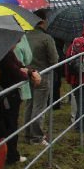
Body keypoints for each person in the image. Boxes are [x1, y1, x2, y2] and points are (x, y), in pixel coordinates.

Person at [0, 45, 40, 164]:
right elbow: (16, 72)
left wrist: (30, 71)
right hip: (7, 95)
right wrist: (28, 75)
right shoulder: (4, 54)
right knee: (9, 125)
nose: (17, 43)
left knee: (11, 124)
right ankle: (10, 156)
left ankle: (10, 154)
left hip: (10, 94)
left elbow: (19, 66)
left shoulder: (8, 52)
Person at [24, 10, 59, 145]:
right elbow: (54, 59)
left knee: (29, 105)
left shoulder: (26, 36)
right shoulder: (46, 38)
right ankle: (37, 136)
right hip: (43, 75)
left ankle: (28, 133)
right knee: (39, 106)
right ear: (43, 21)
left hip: (28, 74)